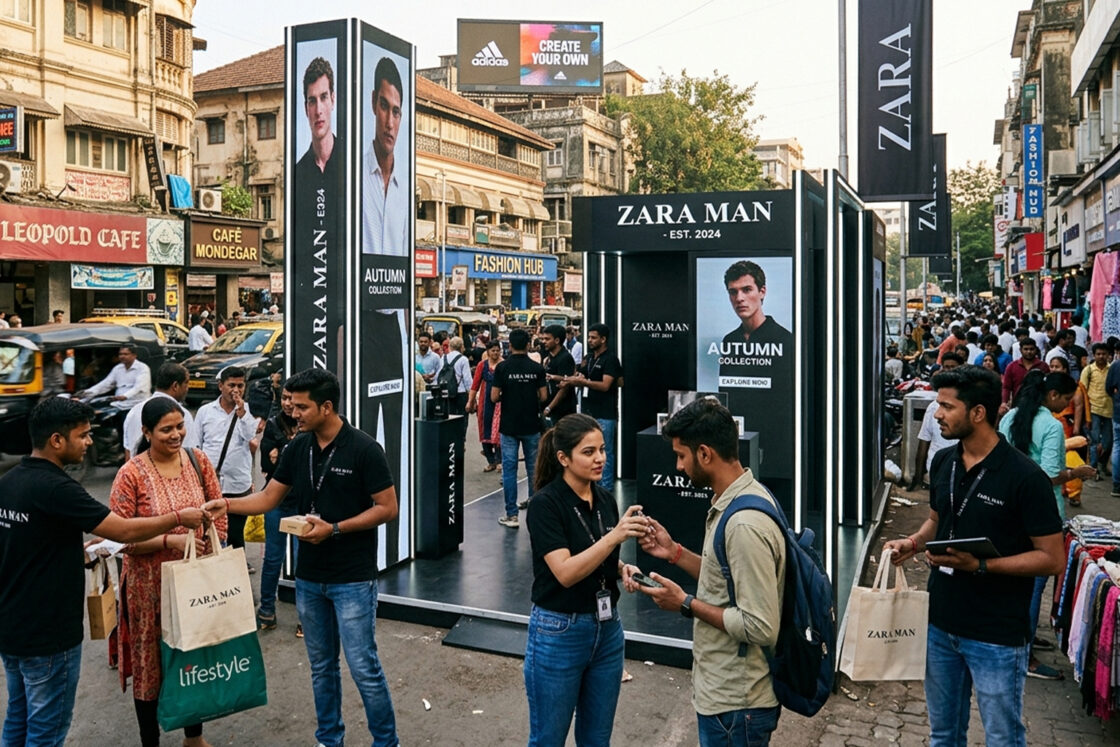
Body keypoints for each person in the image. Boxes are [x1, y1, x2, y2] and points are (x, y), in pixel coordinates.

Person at [202, 368, 401, 747]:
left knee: (364, 668)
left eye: (302, 406)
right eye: (291, 405)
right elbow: (267, 498)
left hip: (353, 579)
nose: (293, 413)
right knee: (321, 668)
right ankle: (329, 738)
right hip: (309, 578)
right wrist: (224, 505)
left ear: (326, 407)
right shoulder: (298, 448)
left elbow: (388, 507)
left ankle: (386, 742)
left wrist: (336, 528)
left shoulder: (363, 449)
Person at [0, 398, 206, 747]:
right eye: (83, 435)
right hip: (48, 633)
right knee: (46, 731)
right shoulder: (58, 489)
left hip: (13, 625)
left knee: (18, 718)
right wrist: (177, 520)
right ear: (56, 441)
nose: (90, 442)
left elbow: (27, 542)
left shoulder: (11, 482)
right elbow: (122, 531)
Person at [884, 366, 1065, 747]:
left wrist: (981, 565)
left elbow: (1052, 559)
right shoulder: (944, 461)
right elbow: (937, 518)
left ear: (979, 413)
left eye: (947, 407)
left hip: (996, 634)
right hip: (941, 624)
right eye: (937, 404)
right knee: (943, 735)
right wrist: (913, 544)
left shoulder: (1024, 477)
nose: (936, 415)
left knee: (1002, 737)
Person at [632, 398, 786, 747]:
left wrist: (684, 603)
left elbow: (758, 625)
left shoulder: (744, 524)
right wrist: (674, 553)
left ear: (704, 454)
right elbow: (728, 578)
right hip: (727, 698)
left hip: (737, 704)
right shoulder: (741, 498)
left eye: (681, 456)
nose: (678, 466)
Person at [523, 414, 650, 745]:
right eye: (589, 452)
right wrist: (615, 538)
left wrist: (620, 568)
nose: (600, 459)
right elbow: (564, 572)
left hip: (607, 631)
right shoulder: (545, 504)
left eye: (603, 450)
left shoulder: (604, 499)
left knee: (597, 739)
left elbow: (593, 550)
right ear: (563, 458)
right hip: (559, 631)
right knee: (548, 738)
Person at [108, 397, 226, 747]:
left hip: (195, 583)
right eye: (166, 430)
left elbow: (219, 513)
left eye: (179, 427)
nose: (176, 435)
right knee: (150, 668)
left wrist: (211, 541)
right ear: (146, 432)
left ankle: (194, 737)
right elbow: (120, 537)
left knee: (192, 659)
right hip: (148, 590)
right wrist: (168, 541)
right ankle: (151, 741)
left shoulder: (198, 460)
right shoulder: (131, 474)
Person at [998, 370, 1093, 680]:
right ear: (1052, 396)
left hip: (1007, 510)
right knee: (1033, 587)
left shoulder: (1009, 417)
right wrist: (1077, 473)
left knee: (1014, 582)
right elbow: (1048, 476)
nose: (1066, 405)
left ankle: (1019, 639)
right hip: (1041, 517)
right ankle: (1023, 655)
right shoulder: (1051, 426)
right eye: (1066, 400)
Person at [195, 366, 258, 564]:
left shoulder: (247, 412)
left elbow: (251, 437)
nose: (236, 390)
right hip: (211, 482)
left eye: (240, 385)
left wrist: (242, 414)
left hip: (238, 484)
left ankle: (237, 566)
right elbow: (197, 445)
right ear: (221, 386)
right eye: (231, 385)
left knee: (236, 532)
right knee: (210, 528)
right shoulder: (206, 412)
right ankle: (214, 565)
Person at [492, 328, 547, 528]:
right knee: (534, 469)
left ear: (510, 345)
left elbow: (493, 396)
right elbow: (543, 397)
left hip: (509, 425)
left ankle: (512, 515)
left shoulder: (502, 368)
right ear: (527, 345)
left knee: (509, 470)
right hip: (531, 424)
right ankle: (534, 510)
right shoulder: (537, 368)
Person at [257, 385, 300, 636]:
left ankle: (306, 617)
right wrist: (286, 449)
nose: (287, 403)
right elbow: (266, 463)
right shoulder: (273, 424)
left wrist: (281, 451)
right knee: (273, 559)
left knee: (304, 561)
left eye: (291, 399)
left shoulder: (307, 424)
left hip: (302, 504)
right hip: (275, 502)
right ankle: (266, 611)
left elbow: (296, 460)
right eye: (283, 398)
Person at [565, 323, 623, 491]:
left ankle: (605, 490)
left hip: (605, 413)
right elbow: (581, 374)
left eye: (593, 338)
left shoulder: (610, 359)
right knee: (587, 450)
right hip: (588, 413)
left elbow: (606, 385)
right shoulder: (589, 358)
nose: (589, 340)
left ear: (603, 339)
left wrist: (584, 382)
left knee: (605, 453)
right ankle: (592, 487)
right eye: (589, 337)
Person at [362, 56, 407, 255]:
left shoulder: (405, 191)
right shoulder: (355, 178)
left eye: (395, 112)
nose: (389, 122)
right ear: (373, 102)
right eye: (384, 106)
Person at [122, 362, 198, 459]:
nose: (188, 388)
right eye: (186, 383)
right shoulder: (180, 415)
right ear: (175, 386)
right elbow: (189, 454)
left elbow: (128, 452)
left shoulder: (134, 411)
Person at [467, 339, 503, 472]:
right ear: (487, 352)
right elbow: (475, 385)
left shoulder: (504, 364)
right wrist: (470, 401)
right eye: (493, 350)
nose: (495, 353)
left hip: (501, 404)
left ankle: (500, 461)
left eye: (497, 350)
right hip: (485, 403)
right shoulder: (482, 366)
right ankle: (491, 461)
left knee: (499, 432)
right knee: (485, 430)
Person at [1081, 342, 1113, 477]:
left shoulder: (1112, 369)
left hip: (1109, 410)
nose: (1101, 356)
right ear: (1094, 355)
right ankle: (1093, 469)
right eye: (1098, 354)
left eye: (1104, 354)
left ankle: (1102, 464)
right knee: (1094, 441)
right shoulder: (1088, 370)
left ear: (1108, 355)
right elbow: (1082, 390)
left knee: (1108, 441)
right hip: (1093, 410)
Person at [540, 324, 577, 424]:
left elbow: (564, 387)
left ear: (557, 341)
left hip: (563, 410)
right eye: (543, 339)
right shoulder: (549, 357)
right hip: (551, 409)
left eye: (547, 339)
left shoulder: (565, 358)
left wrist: (549, 408)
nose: (544, 342)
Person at [1001, 336, 1048, 405]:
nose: (1029, 352)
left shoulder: (1043, 366)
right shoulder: (1012, 366)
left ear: (1036, 350)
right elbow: (1006, 387)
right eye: (1025, 349)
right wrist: (1004, 402)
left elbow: (1047, 387)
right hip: (1017, 405)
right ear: (1020, 350)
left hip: (1038, 405)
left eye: (1031, 349)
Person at [442, 336, 473, 415]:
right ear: (462, 346)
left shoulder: (443, 358)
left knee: (449, 418)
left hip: (446, 392)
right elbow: (467, 380)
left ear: (450, 346)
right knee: (462, 420)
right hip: (460, 392)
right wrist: (471, 397)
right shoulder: (463, 359)